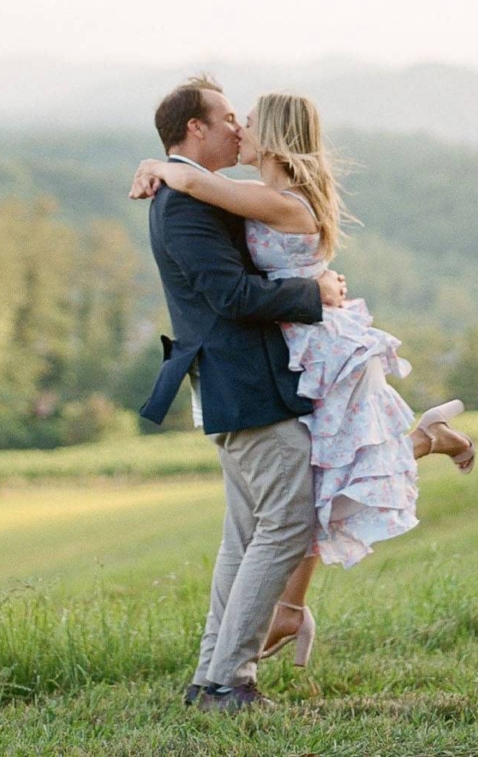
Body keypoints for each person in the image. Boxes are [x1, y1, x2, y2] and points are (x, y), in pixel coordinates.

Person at [130, 90, 475, 670]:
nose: (239, 130)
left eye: (248, 122)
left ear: (276, 138)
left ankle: (265, 633)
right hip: (289, 348)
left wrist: (161, 166)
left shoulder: (277, 201)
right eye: (231, 120)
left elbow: (195, 187)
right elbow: (197, 197)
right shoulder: (249, 196)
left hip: (319, 347)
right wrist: (163, 166)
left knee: (324, 479)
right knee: (319, 479)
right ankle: (269, 627)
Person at [137, 76, 348, 712]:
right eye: (227, 117)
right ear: (194, 129)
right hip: (245, 381)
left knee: (245, 535)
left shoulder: (200, 192)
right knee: (287, 522)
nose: (238, 128)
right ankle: (232, 680)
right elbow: (230, 297)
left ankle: (211, 679)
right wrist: (316, 295)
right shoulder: (185, 202)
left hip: (245, 380)